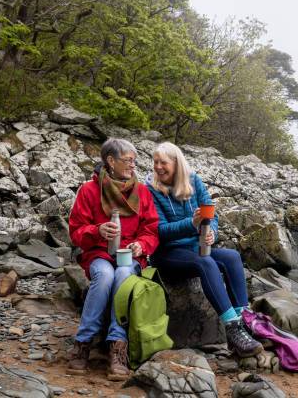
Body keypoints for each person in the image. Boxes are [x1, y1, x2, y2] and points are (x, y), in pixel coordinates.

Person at [145, 142, 262, 357]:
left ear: (177, 163)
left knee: (232, 257)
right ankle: (232, 329)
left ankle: (244, 320)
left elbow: (211, 214)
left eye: (164, 162)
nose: (158, 167)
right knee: (205, 262)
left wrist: (212, 232)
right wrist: (191, 224)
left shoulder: (193, 180)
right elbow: (158, 230)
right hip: (167, 254)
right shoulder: (150, 189)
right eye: (156, 162)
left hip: (195, 247)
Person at [68, 138, 159, 380]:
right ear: (110, 161)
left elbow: (151, 228)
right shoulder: (89, 190)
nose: (133, 165)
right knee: (106, 275)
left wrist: (142, 244)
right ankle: (83, 343)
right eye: (128, 160)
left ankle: (117, 346)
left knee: (123, 275)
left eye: (134, 161)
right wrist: (96, 231)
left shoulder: (141, 191)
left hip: (130, 256)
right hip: (98, 253)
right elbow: (76, 231)